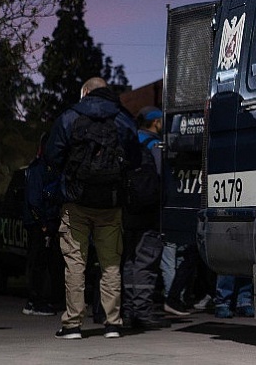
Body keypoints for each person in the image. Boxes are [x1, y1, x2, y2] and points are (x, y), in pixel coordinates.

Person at [45, 77, 141, 340]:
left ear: (85, 92)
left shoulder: (69, 117)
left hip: (75, 201)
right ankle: (112, 323)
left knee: (75, 263)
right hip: (110, 202)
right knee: (110, 264)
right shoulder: (122, 118)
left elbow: (52, 155)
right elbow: (135, 158)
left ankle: (73, 324)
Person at [121, 107, 167, 329]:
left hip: (129, 210)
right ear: (156, 122)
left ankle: (129, 311)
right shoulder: (155, 145)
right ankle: (143, 312)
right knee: (146, 260)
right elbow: (161, 177)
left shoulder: (129, 141)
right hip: (149, 210)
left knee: (130, 260)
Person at [22, 133, 63, 316]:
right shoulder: (39, 169)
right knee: (39, 262)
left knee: (46, 262)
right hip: (40, 223)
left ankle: (41, 300)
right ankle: (35, 301)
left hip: (44, 221)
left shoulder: (48, 168)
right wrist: (43, 223)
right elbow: (34, 200)